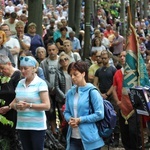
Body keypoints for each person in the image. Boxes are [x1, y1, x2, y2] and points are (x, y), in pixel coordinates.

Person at [9, 56, 50, 150]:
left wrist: (29, 105)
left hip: (37, 126)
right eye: (21, 68)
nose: (22, 71)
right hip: (22, 124)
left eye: (25, 68)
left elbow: (47, 106)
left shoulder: (41, 83)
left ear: (34, 69)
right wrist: (16, 106)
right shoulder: (20, 83)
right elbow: (14, 103)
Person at [64, 61, 105, 150]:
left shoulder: (92, 91)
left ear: (83, 74)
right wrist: (69, 119)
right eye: (71, 75)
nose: (73, 77)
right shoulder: (70, 92)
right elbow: (66, 112)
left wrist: (80, 120)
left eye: (75, 74)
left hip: (90, 138)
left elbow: (100, 114)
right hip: (73, 137)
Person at [112, 51, 142, 149]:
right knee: (124, 134)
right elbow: (114, 89)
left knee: (134, 132)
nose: (122, 58)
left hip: (134, 108)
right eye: (121, 56)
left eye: (125, 56)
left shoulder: (135, 72)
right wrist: (117, 102)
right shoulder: (117, 73)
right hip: (122, 107)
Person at [0, 54, 22, 150]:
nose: (1, 71)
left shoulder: (19, 75)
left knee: (15, 139)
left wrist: (9, 107)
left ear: (9, 64)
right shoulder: (2, 76)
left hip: (14, 111)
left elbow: (20, 95)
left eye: (2, 68)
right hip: (2, 112)